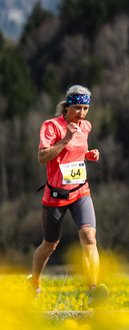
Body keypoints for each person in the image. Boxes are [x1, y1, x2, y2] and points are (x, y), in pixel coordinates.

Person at [29, 85, 107, 308]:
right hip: (55, 196)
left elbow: (78, 152)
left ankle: (93, 288)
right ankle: (34, 282)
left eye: (85, 108)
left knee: (89, 237)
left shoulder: (86, 126)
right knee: (49, 245)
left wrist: (89, 155)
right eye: (77, 108)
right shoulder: (52, 126)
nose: (81, 113)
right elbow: (43, 157)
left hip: (80, 191)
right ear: (67, 106)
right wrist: (65, 140)